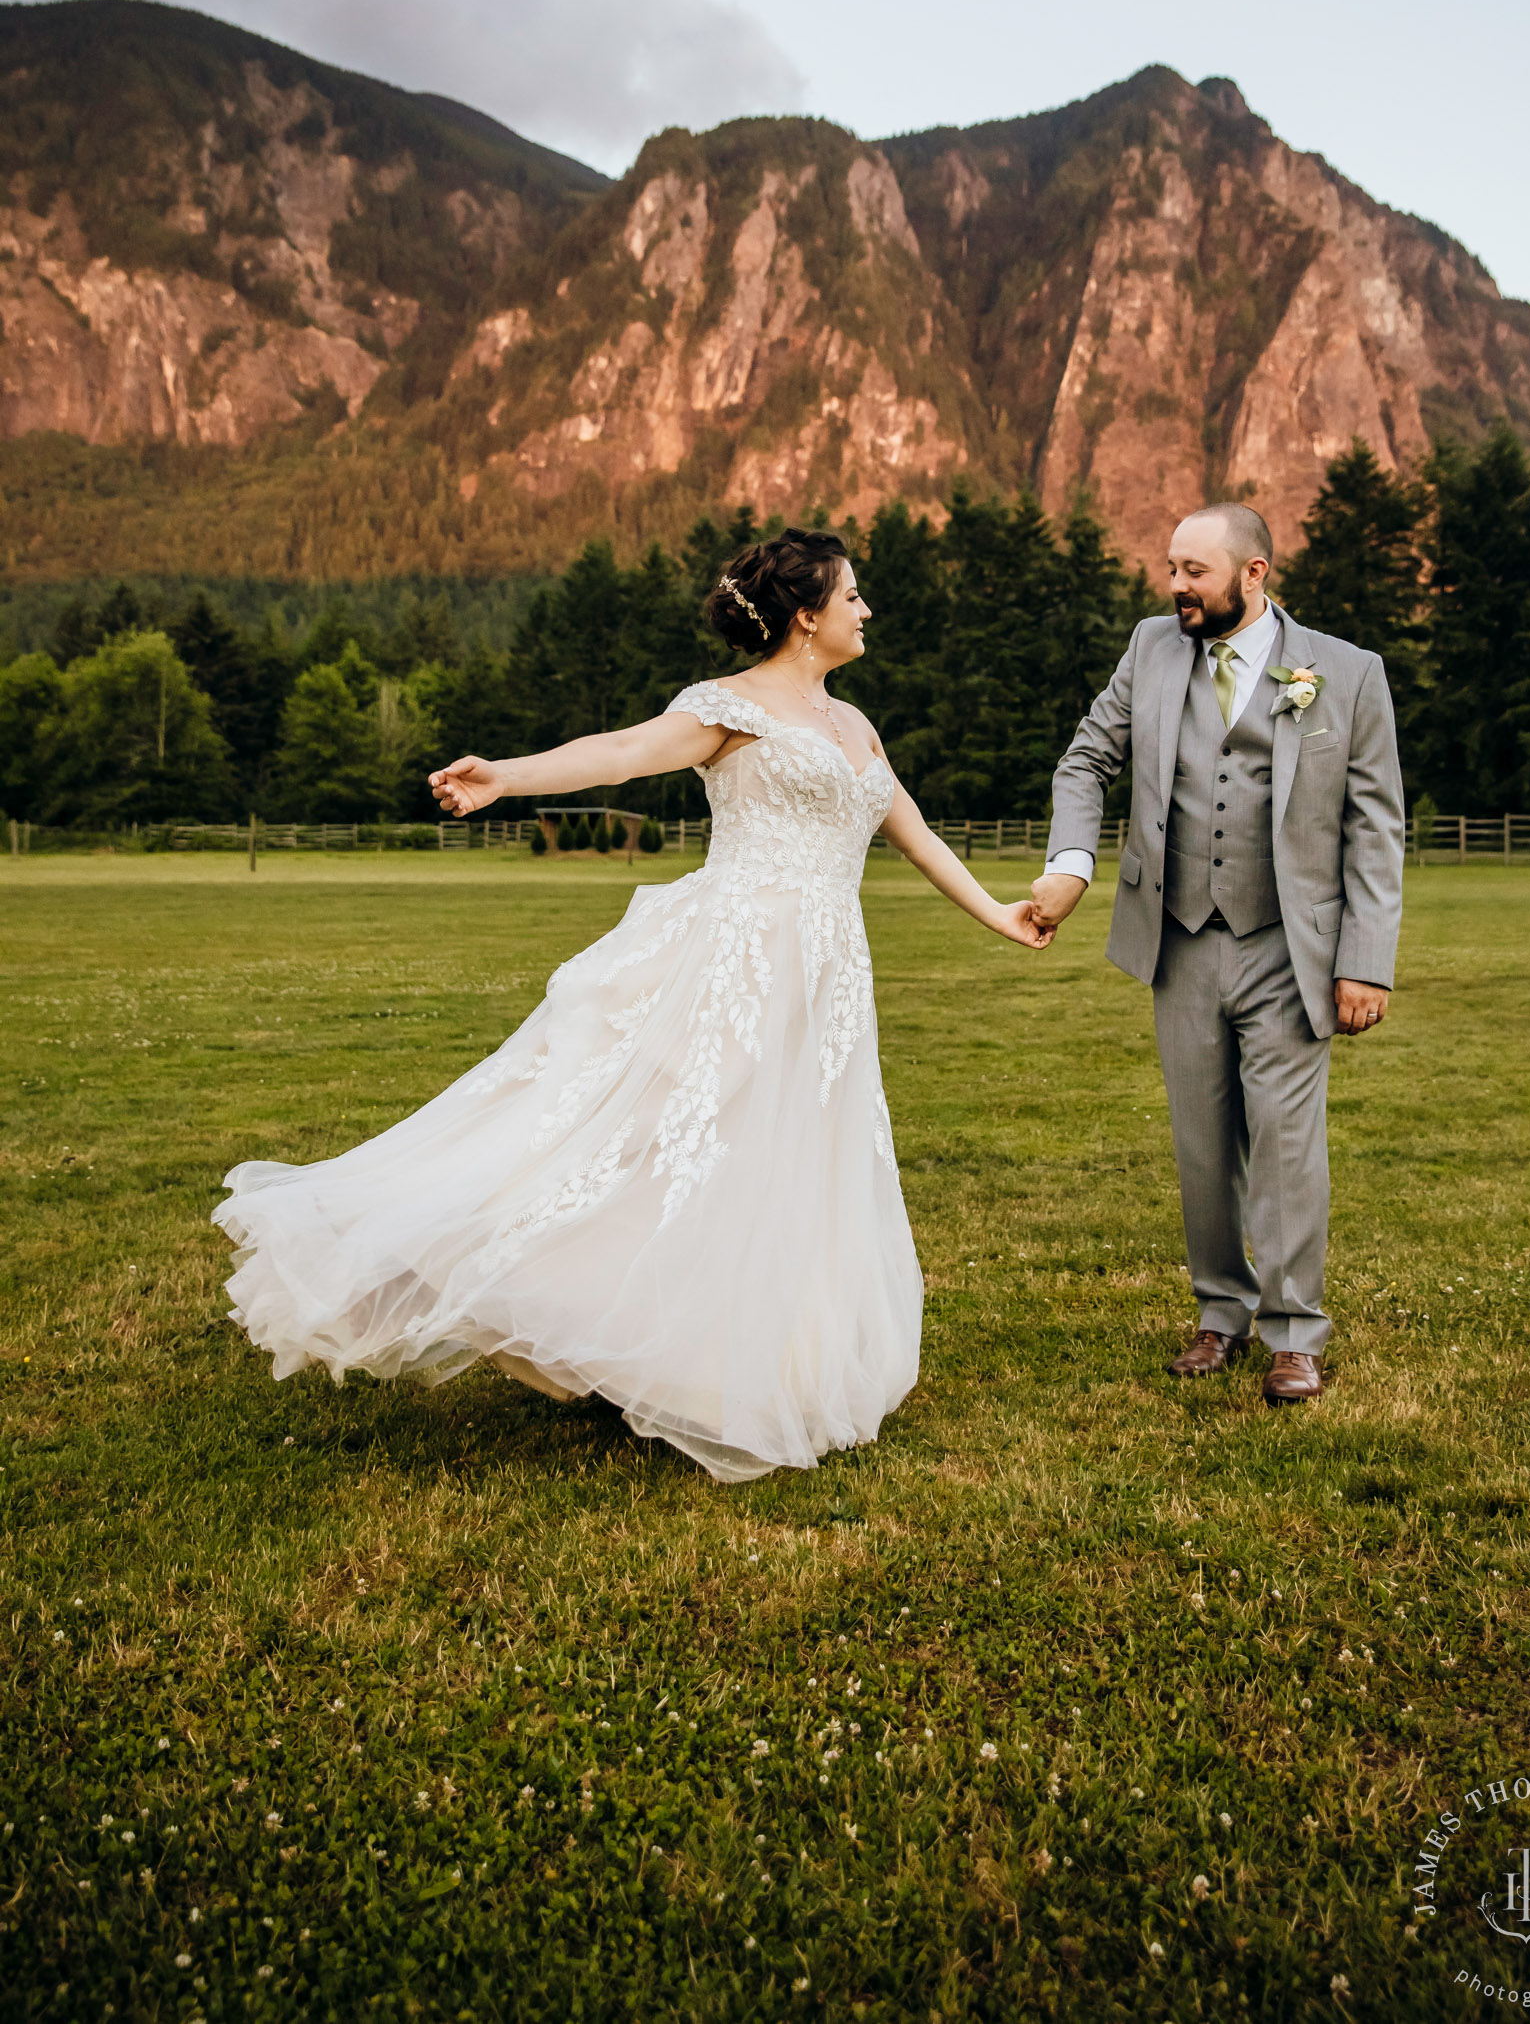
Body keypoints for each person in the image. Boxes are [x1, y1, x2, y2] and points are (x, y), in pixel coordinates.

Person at [214, 529, 1050, 1482]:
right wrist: (506, 776)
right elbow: (617, 754)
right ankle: (550, 1300)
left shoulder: (854, 727)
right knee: (665, 1138)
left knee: (781, 1155)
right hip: (734, 952)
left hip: (826, 974)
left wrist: (997, 914)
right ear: (806, 615)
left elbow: (909, 829)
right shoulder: (726, 708)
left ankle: (735, 1357)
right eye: (853, 595)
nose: (867, 610)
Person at [1029, 504, 1403, 1404]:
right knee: (1202, 1145)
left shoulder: (1346, 673)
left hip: (1290, 946)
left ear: (1255, 573)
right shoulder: (1151, 648)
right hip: (1180, 938)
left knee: (1283, 1142)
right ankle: (1219, 1314)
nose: (1176, 587)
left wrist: (1367, 958)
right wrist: (1070, 863)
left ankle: (1293, 1333)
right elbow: (1086, 760)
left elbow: (1374, 825)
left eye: (1194, 571)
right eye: (1171, 568)